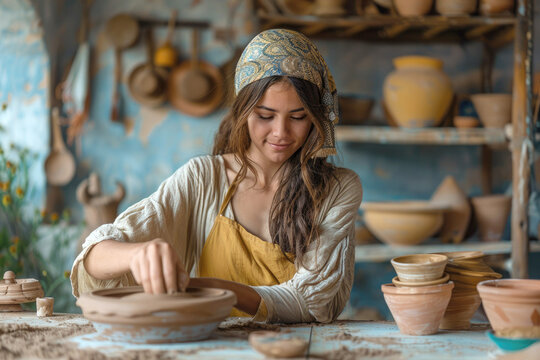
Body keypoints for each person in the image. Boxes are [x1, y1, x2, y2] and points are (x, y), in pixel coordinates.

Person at [70, 28, 363, 323]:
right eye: (264, 115)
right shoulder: (204, 179)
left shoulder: (337, 189)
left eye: (298, 117)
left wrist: (206, 288)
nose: (280, 133)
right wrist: (136, 254)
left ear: (316, 118)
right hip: (212, 347)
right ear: (243, 110)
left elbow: (310, 301)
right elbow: (93, 261)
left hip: (298, 349)